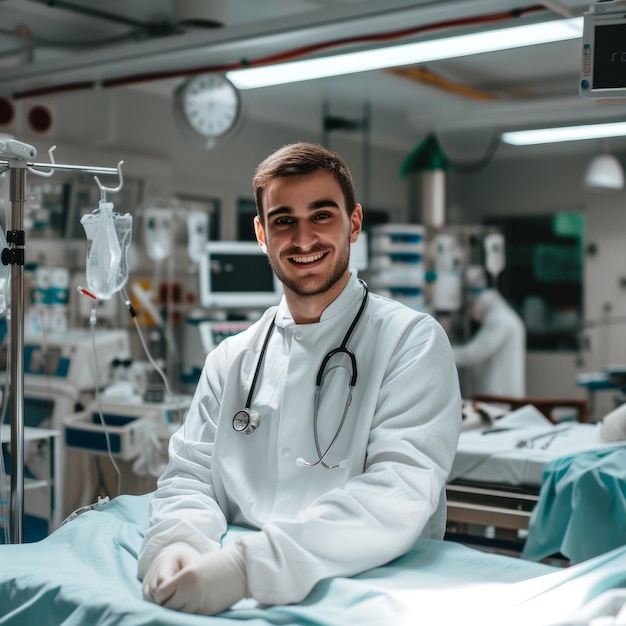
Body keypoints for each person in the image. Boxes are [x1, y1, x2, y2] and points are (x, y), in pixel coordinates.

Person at [137, 142, 462, 616]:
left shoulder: (411, 341)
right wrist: (176, 544)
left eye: (322, 215)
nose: (303, 238)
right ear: (262, 233)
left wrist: (251, 568)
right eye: (284, 219)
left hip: (369, 593)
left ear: (354, 222)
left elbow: (397, 493)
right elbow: (191, 478)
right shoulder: (232, 357)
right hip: (232, 593)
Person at [452, 275, 526, 398]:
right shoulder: (502, 315)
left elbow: (474, 353)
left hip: (500, 398)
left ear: (476, 302)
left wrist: (443, 353)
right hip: (500, 398)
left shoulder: (500, 321)